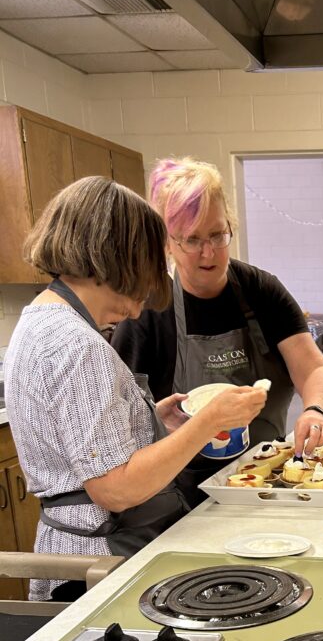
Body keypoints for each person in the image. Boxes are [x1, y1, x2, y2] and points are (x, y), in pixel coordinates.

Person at [4, 176, 267, 602]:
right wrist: (208, 422)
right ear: (119, 258)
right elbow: (116, 489)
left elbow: (80, 443)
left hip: (83, 554)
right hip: (98, 562)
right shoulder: (77, 345)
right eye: (148, 268)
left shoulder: (42, 319)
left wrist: (150, 420)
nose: (143, 299)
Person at [110, 156, 323, 507]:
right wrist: (156, 423)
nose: (208, 252)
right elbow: (119, 422)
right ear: (167, 243)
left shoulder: (260, 290)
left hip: (267, 480)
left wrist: (315, 411)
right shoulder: (147, 311)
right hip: (178, 498)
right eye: (192, 240)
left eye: (218, 234)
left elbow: (314, 368)